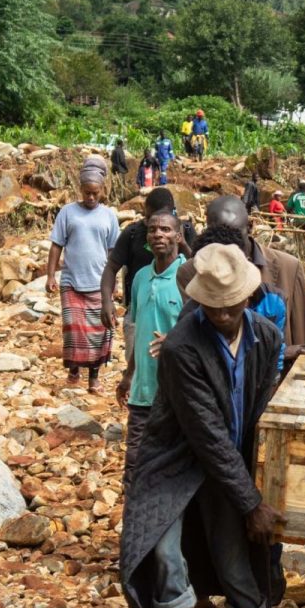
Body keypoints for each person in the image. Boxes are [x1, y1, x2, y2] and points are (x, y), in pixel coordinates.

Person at [118, 244, 288, 608]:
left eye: (234, 305)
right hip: (175, 463)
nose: (226, 315)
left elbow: (261, 408)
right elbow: (205, 433)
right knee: (166, 554)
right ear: (201, 303)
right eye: (215, 308)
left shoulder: (267, 337)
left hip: (232, 463)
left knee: (236, 559)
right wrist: (250, 499)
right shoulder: (179, 348)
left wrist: (256, 486)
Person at [179, 196, 305, 348]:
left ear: (250, 226)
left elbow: (304, 347)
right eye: (217, 236)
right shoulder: (190, 272)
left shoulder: (289, 268)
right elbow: (192, 337)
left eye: (234, 235)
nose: (228, 246)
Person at [47, 155, 123, 392]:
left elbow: (114, 252)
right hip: (71, 281)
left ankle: (94, 376)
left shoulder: (109, 215)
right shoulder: (67, 212)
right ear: (80, 189)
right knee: (73, 329)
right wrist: (51, 275)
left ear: (102, 190)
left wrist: (117, 282)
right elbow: (56, 245)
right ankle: (73, 369)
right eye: (87, 192)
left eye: (95, 193)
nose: (91, 197)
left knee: (100, 330)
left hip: (100, 283)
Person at [120, 204, 187, 463]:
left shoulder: (188, 277)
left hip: (177, 393)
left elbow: (203, 333)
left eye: (166, 229)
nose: (158, 234)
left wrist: (174, 340)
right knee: (135, 463)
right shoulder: (140, 277)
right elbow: (141, 330)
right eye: (152, 230)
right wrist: (128, 375)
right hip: (142, 391)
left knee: (171, 465)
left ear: (178, 237)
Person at [102, 187, 199, 355]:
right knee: (138, 354)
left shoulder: (184, 232)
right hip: (140, 304)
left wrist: (182, 243)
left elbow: (199, 269)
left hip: (178, 304)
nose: (157, 233)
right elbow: (111, 267)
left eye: (164, 227)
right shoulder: (133, 233)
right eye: (150, 224)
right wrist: (106, 301)